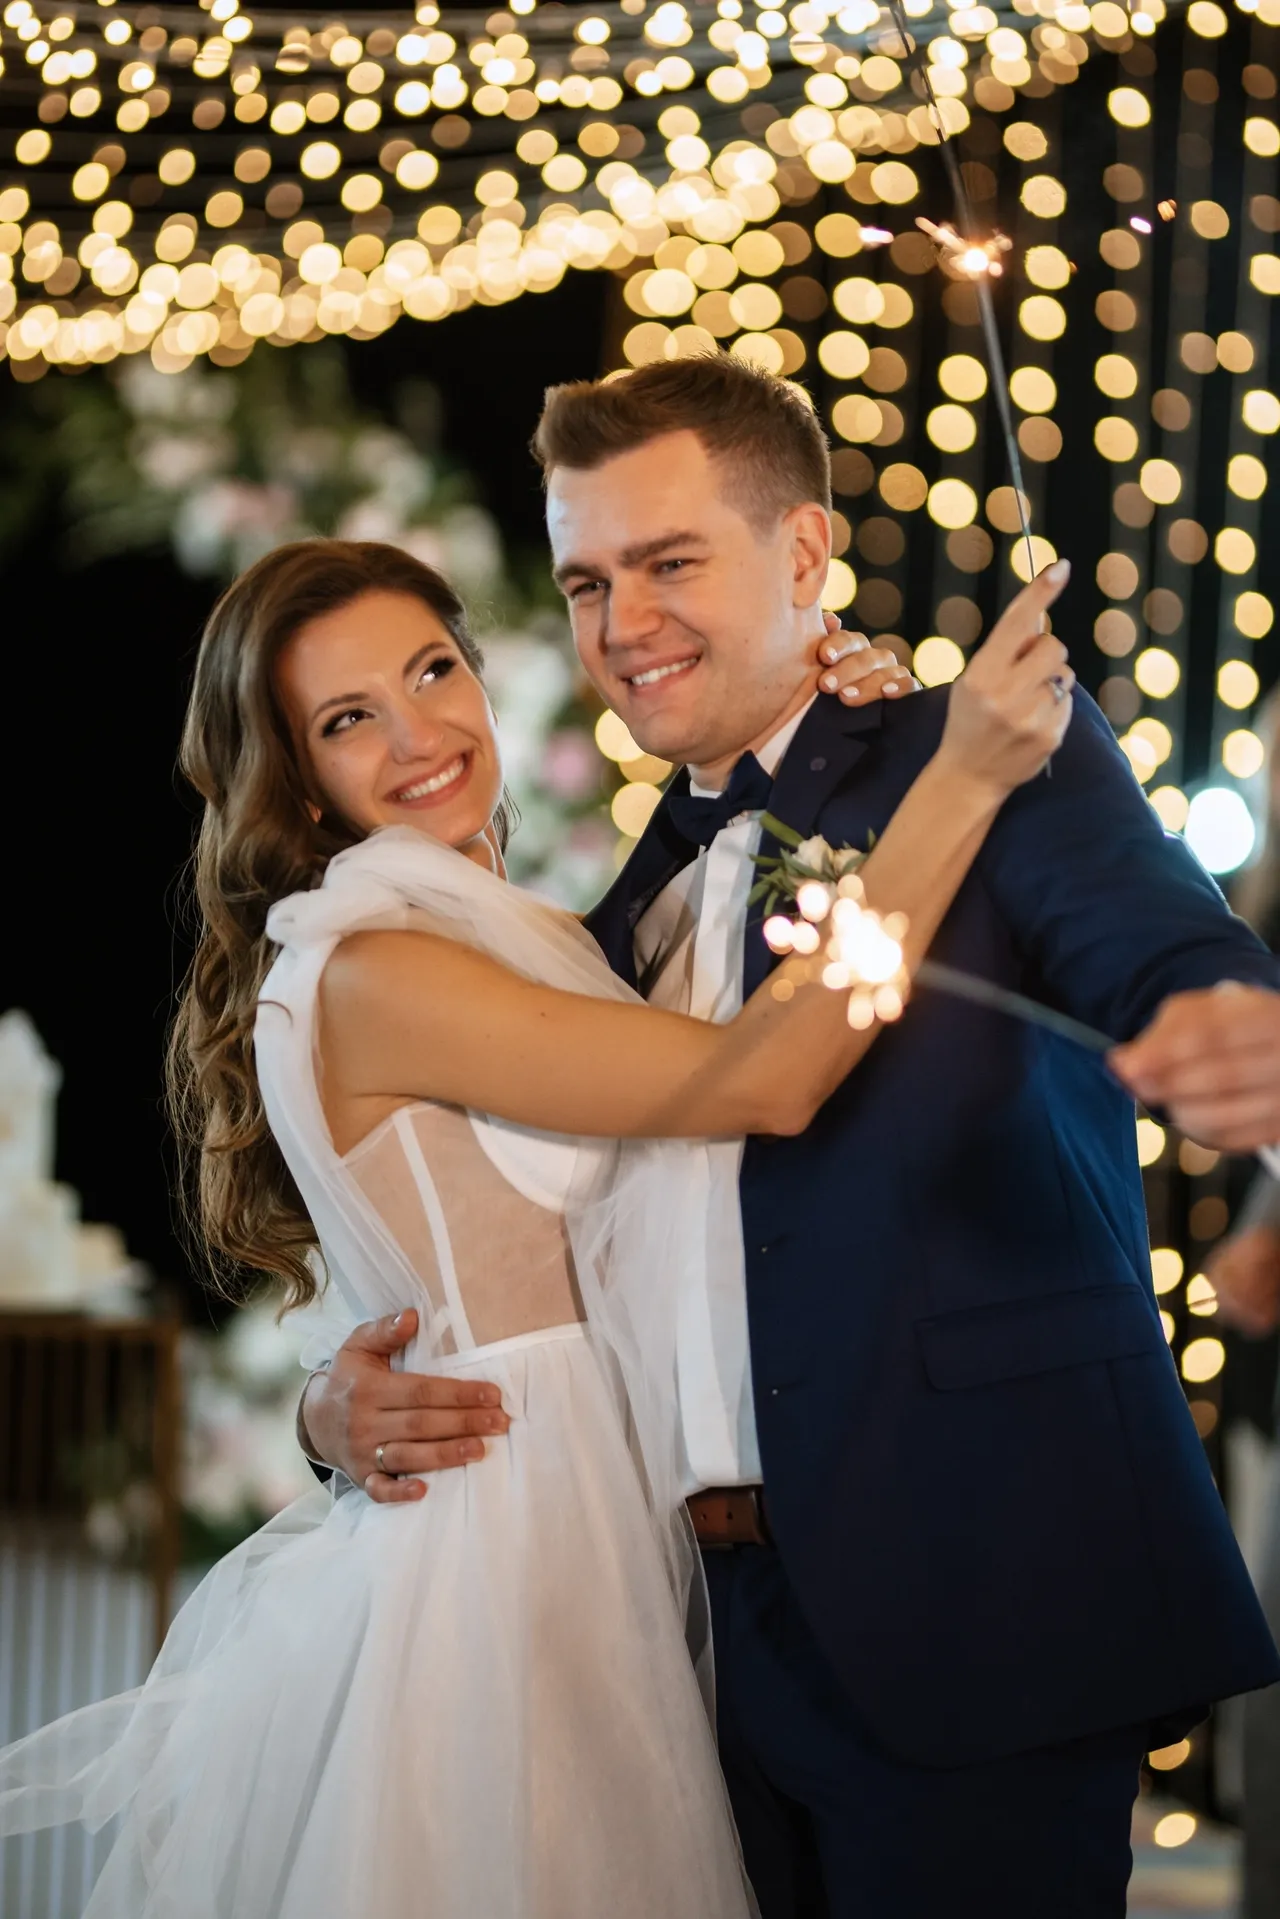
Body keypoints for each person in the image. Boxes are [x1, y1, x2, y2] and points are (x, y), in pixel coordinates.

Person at [307, 356, 1280, 1918]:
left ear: (808, 558)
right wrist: (327, 1402)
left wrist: (1240, 1024)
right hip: (690, 1645)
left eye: (671, 561)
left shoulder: (987, 755)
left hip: (979, 1585)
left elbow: (1166, 947)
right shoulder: (611, 914)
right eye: (586, 581)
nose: (625, 626)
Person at [0, 537, 1070, 1916]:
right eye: (347, 719)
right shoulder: (376, 967)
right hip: (514, 1535)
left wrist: (835, 732)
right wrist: (963, 776)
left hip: (603, 1505)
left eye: (431, 670)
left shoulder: (506, 936)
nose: (419, 732)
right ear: (297, 784)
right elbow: (764, 1075)